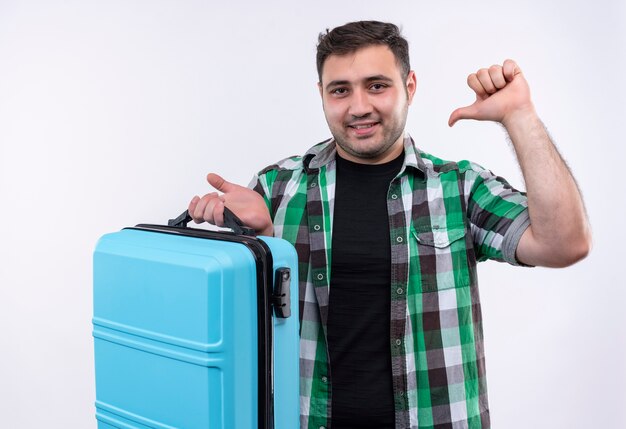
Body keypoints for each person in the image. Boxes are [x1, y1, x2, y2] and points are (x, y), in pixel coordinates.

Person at [188, 21, 591, 429]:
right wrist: (261, 240)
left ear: (410, 87)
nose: (359, 106)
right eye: (340, 90)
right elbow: (238, 334)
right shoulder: (276, 189)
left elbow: (564, 243)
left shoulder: (459, 187)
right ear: (322, 95)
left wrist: (519, 116)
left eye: (377, 86)